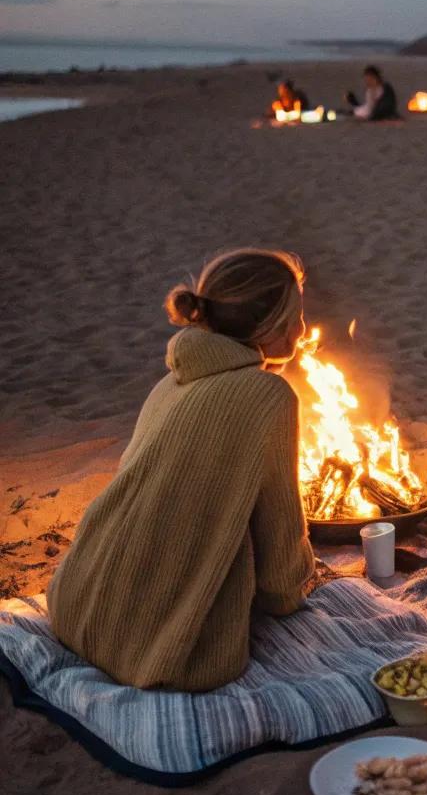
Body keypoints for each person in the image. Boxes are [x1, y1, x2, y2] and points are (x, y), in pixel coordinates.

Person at [47, 249, 315, 691]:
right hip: (154, 645)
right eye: (296, 316)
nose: (302, 330)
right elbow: (279, 546)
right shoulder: (266, 394)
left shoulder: (171, 381)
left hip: (75, 602)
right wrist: (291, 597)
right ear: (269, 324)